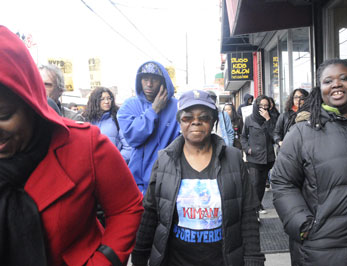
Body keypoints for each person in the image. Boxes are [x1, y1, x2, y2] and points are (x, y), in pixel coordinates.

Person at [0, 26, 143, 265]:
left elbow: (127, 208)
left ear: (32, 103)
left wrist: (104, 259)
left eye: (4, 115)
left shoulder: (85, 144)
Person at [271, 58, 347, 266]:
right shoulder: (301, 132)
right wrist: (302, 225)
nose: (336, 84)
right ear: (320, 89)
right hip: (319, 252)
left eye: (344, 78)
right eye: (328, 81)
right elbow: (282, 182)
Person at [131, 90, 264, 266]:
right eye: (187, 117)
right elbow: (150, 213)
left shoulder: (233, 158)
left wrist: (253, 259)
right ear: (179, 122)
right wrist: (140, 255)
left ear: (213, 121)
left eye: (204, 117)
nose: (196, 121)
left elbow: (248, 213)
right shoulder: (164, 160)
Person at [117, 61, 180, 194]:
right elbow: (133, 138)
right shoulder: (129, 105)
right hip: (139, 182)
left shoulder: (177, 107)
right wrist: (154, 110)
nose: (149, 84)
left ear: (163, 82)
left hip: (170, 178)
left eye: (154, 79)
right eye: (145, 79)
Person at [241, 95, 276, 206]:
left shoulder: (272, 118)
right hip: (254, 156)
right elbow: (243, 136)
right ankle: (253, 208)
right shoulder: (249, 119)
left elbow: (275, 135)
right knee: (254, 183)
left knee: (261, 184)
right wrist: (247, 149)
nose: (264, 108)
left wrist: (268, 120)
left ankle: (257, 204)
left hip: (267, 157)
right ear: (256, 106)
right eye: (261, 106)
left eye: (266, 106)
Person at [83, 87, 131, 163]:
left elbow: (128, 147)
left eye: (109, 98)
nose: (107, 102)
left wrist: (117, 162)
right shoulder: (86, 120)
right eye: (102, 99)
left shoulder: (117, 118)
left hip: (113, 166)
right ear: (95, 101)